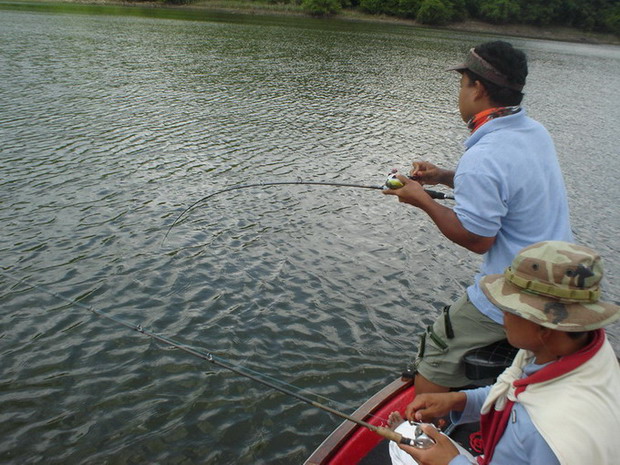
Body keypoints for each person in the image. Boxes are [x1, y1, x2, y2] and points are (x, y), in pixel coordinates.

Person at [383, 41, 573, 393]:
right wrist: (443, 176)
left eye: (462, 84)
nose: (460, 93)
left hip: (516, 290)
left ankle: (429, 427)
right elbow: (508, 186)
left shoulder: (484, 155)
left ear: (478, 88)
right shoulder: (533, 133)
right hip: (561, 282)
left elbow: (477, 237)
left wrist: (421, 200)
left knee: (435, 357)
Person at [388, 241, 620, 465]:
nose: (502, 314)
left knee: (400, 441)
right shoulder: (576, 352)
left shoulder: (549, 435)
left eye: (510, 307)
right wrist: (458, 400)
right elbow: (519, 391)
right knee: (409, 433)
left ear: (543, 326)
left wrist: (451, 462)